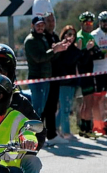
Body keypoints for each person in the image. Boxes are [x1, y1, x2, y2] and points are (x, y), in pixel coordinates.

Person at [0, 43, 47, 150]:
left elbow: (39, 132)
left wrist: (27, 147)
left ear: (11, 72)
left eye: (3, 68)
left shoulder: (19, 102)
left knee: (32, 164)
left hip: (8, 162)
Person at [0, 73, 41, 173]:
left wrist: (28, 141)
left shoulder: (17, 117)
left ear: (6, 96)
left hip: (7, 165)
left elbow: (28, 133)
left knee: (33, 161)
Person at [24, 16, 65, 117]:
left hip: (46, 78)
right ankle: (34, 131)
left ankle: (40, 131)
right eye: (38, 25)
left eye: (42, 25)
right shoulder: (30, 40)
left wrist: (59, 49)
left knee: (42, 109)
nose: (40, 28)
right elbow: (39, 58)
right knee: (37, 109)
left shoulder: (42, 38)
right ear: (32, 26)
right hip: (37, 79)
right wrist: (54, 50)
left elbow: (49, 57)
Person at [76, 11, 106, 138]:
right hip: (84, 73)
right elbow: (79, 57)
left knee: (86, 102)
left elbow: (98, 53)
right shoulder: (81, 37)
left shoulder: (90, 36)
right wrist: (88, 49)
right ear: (81, 24)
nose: (88, 25)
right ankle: (87, 129)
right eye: (86, 23)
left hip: (90, 71)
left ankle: (83, 128)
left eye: (90, 23)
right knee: (88, 102)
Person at [42, 12, 69, 144]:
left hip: (55, 76)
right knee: (43, 107)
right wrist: (55, 50)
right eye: (48, 21)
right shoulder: (43, 37)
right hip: (46, 76)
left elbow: (57, 55)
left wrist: (63, 47)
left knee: (52, 106)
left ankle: (51, 134)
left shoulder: (54, 36)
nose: (51, 23)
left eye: (53, 20)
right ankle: (40, 136)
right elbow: (45, 56)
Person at [56, 25, 85, 141]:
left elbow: (81, 61)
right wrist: (78, 51)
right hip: (63, 82)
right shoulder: (62, 47)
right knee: (65, 108)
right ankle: (66, 132)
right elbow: (68, 61)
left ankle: (54, 129)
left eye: (73, 35)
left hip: (72, 82)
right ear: (63, 34)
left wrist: (83, 50)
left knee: (65, 107)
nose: (70, 37)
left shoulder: (74, 48)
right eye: (68, 34)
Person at [91, 11, 107, 135]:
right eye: (104, 21)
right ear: (100, 22)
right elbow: (91, 54)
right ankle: (97, 127)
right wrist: (105, 55)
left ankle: (100, 126)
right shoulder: (95, 35)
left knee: (101, 99)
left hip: (106, 71)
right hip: (96, 71)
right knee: (96, 100)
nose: (106, 24)